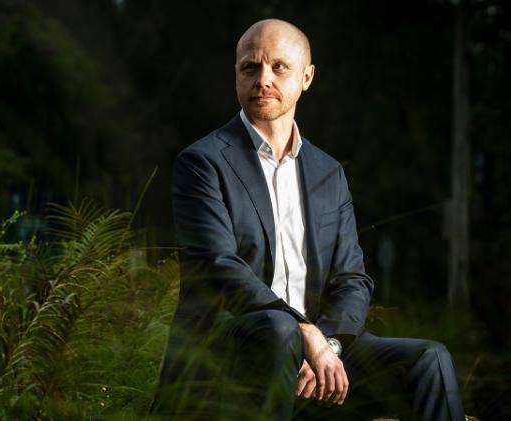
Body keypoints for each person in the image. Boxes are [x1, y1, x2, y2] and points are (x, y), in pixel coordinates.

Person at [150, 18, 466, 420]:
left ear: (307, 77)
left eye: (279, 67)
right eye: (250, 67)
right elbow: (217, 268)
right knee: (278, 331)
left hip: (318, 353)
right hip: (228, 355)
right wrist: (304, 332)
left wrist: (328, 344)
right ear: (236, 75)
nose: (263, 79)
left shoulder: (328, 173)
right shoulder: (203, 163)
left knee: (430, 359)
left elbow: (353, 278)